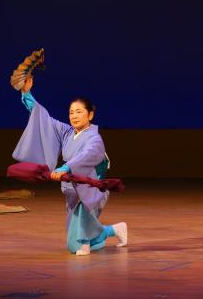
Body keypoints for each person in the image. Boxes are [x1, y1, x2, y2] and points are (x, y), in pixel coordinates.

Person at [12, 76, 128, 256]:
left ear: (90, 115)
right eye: (71, 112)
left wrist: (66, 168)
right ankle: (113, 230)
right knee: (71, 243)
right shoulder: (67, 132)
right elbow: (43, 119)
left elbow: (87, 155)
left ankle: (85, 244)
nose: (74, 116)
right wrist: (26, 93)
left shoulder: (94, 139)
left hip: (89, 189)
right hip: (71, 189)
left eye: (79, 112)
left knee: (79, 236)